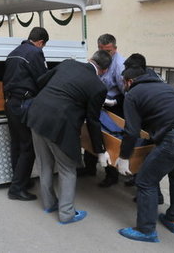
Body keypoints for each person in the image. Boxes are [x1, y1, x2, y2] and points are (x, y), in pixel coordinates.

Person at [27, 50, 112, 224]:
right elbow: (93, 121)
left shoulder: (68, 63)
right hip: (59, 125)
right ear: (105, 70)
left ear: (90, 59)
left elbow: (41, 81)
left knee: (45, 165)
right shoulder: (98, 87)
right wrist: (100, 151)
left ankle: (49, 204)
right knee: (68, 169)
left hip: (36, 115)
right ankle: (66, 214)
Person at [116, 66, 174, 243]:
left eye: (124, 82)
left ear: (130, 81)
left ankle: (146, 230)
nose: (123, 86)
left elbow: (131, 131)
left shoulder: (133, 93)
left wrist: (123, 157)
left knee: (145, 181)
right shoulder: (165, 86)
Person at [3, 27, 49, 201]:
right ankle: (17, 189)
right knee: (28, 146)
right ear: (41, 43)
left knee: (17, 143)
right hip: (24, 104)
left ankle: (20, 180)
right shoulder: (35, 53)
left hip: (10, 102)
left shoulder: (14, 52)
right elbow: (42, 78)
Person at [123, 53, 164, 205]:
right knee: (146, 158)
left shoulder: (142, 83)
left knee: (146, 159)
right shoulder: (152, 76)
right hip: (155, 121)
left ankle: (152, 195)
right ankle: (137, 179)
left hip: (154, 124)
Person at [96, 34, 125, 187]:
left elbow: (126, 94)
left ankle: (112, 175)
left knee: (111, 140)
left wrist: (113, 102)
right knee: (97, 135)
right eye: (101, 49)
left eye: (107, 50)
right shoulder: (98, 58)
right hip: (100, 103)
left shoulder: (120, 65)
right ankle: (90, 168)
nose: (104, 53)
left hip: (116, 106)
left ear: (115, 49)